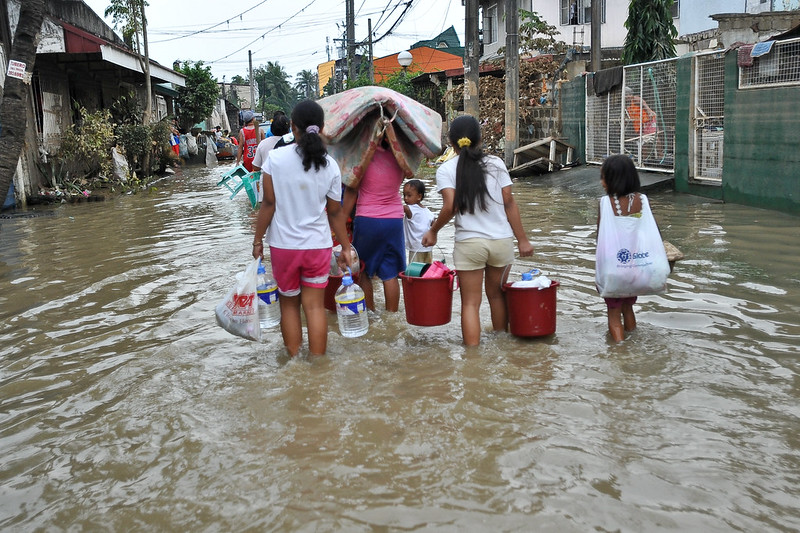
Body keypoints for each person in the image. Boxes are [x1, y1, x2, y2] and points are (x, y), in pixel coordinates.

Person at [422, 115, 534, 346]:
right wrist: (522, 240)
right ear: (480, 139)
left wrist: (433, 231)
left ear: (451, 142)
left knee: (471, 303)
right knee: (496, 296)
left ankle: (472, 360)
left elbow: (450, 206)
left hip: (469, 244)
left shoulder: (446, 169)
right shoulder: (496, 163)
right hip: (501, 241)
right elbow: (509, 201)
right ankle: (501, 346)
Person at [252, 100, 352, 357]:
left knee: (289, 307)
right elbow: (335, 212)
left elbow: (268, 204)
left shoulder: (275, 158)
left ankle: (294, 362)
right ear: (321, 128)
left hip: (284, 247)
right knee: (315, 308)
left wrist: (257, 241)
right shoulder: (329, 165)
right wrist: (346, 248)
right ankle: (318, 366)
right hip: (317, 247)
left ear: (293, 127)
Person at [343, 138, 406, 312]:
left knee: (363, 269)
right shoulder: (400, 155)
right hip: (394, 220)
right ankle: (392, 318)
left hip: (367, 219)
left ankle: (370, 315)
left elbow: (352, 188)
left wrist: (340, 221)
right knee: (390, 273)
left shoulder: (363, 154)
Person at [596, 154, 647, 342]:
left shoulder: (605, 203)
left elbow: (600, 236)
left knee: (614, 314)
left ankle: (620, 352)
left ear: (613, 179)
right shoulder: (642, 201)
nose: (601, 182)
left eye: (603, 177)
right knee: (628, 308)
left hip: (613, 268)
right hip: (634, 268)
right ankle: (633, 340)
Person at [402, 179, 434, 264]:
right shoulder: (428, 212)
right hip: (428, 247)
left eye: (409, 195)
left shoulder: (409, 209)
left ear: (419, 196)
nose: (405, 198)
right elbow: (434, 224)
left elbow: (400, 207)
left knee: (414, 272)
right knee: (427, 271)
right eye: (404, 195)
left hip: (416, 248)